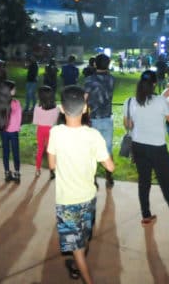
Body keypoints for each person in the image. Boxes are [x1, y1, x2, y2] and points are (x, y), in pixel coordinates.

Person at [48, 85, 115, 283]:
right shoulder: (93, 135)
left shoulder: (56, 133)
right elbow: (110, 167)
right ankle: (77, 265)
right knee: (83, 238)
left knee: (76, 245)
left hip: (67, 200)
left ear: (61, 108)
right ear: (86, 108)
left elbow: (52, 165)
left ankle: (85, 276)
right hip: (88, 197)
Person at [123, 71, 169, 225]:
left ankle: (146, 215)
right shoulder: (160, 101)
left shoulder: (130, 101)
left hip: (138, 146)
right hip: (157, 148)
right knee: (165, 182)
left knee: (143, 181)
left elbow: (128, 125)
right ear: (154, 84)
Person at [83, 54, 117, 187]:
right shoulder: (112, 79)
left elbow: (84, 99)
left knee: (91, 150)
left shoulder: (89, 80)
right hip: (107, 118)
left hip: (93, 119)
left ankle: (93, 179)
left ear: (95, 64)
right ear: (108, 65)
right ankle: (109, 177)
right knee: (107, 149)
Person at [0, 80, 23, 183]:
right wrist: (17, 128)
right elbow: (19, 118)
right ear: (9, 91)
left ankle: (7, 172)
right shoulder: (16, 103)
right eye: (13, 88)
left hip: (3, 131)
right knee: (16, 152)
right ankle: (17, 173)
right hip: (14, 132)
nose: (15, 90)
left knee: (5, 151)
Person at [34, 86, 60, 179]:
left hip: (40, 129)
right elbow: (55, 122)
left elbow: (35, 121)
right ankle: (52, 171)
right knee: (51, 151)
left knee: (40, 150)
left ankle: (37, 170)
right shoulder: (56, 107)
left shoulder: (37, 107)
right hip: (51, 130)